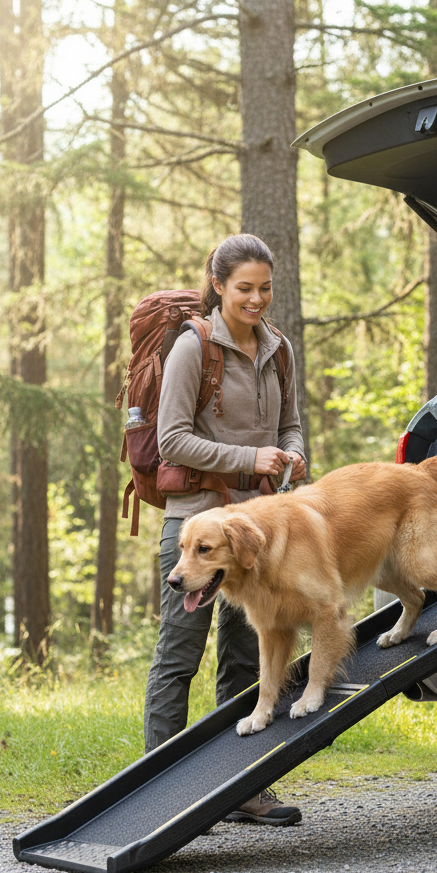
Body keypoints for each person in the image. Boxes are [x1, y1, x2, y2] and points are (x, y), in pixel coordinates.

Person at [144, 233, 307, 825]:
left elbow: (289, 425)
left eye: (266, 288)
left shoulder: (277, 347)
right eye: (245, 288)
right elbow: (171, 440)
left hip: (256, 529)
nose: (257, 299)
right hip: (194, 523)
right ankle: (155, 793)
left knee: (250, 657)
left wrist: (290, 454)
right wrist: (250, 459)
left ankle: (244, 788)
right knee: (178, 657)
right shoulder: (194, 349)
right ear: (218, 286)